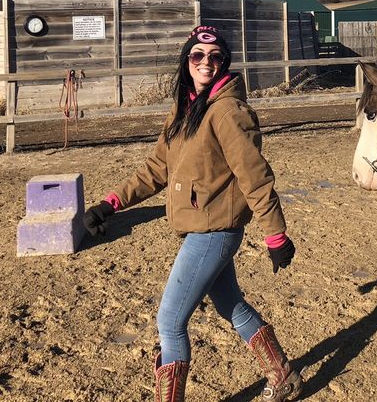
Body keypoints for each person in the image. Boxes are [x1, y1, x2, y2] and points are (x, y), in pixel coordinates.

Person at [83, 25, 303, 402]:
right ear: (187, 61)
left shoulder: (227, 111)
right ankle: (283, 375)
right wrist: (111, 203)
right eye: (198, 56)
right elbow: (157, 167)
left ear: (224, 63)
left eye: (215, 56)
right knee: (230, 304)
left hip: (214, 232)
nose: (207, 63)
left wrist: (275, 234)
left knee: (169, 322)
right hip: (202, 227)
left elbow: (255, 176)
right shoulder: (186, 109)